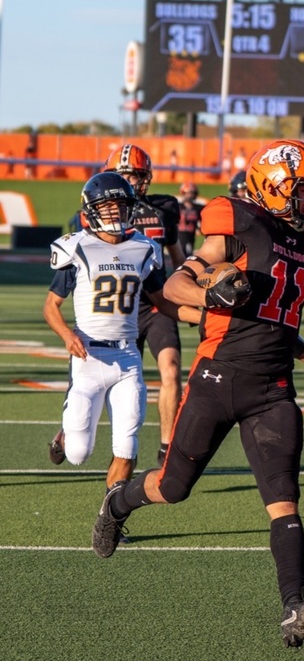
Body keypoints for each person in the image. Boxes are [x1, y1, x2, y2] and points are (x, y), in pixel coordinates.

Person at [91, 139, 304, 650]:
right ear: (274, 186)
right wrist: (211, 291)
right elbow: (179, 283)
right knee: (172, 487)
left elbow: (275, 317)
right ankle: (117, 504)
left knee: (284, 501)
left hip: (272, 388)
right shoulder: (239, 220)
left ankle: (294, 607)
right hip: (217, 378)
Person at [42, 172, 199, 490]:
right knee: (78, 453)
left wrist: (204, 315)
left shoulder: (144, 248)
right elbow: (51, 306)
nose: (116, 212)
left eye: (121, 206)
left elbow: (162, 303)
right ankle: (66, 434)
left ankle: (110, 517)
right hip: (89, 355)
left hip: (127, 356)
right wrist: (67, 336)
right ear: (92, 210)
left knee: (128, 447)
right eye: (109, 206)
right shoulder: (76, 248)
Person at [177, 182, 204, 256]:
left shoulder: (198, 208)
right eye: (188, 193)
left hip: (189, 236)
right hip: (178, 237)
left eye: (192, 193)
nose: (190, 195)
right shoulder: (177, 206)